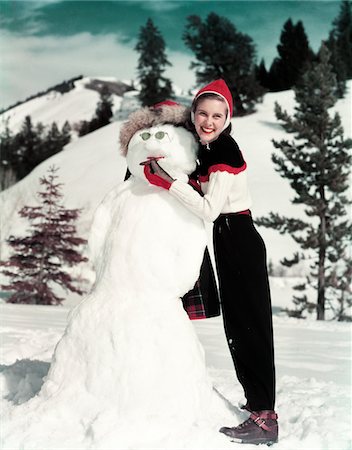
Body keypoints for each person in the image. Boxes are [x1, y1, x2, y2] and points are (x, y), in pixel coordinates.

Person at [143, 79, 278, 446]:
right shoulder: (210, 147)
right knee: (238, 325)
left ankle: (266, 418)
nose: (208, 121)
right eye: (202, 113)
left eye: (217, 115)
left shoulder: (223, 152)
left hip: (239, 239)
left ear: (227, 118)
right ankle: (256, 403)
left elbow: (208, 208)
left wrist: (167, 183)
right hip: (230, 239)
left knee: (251, 327)